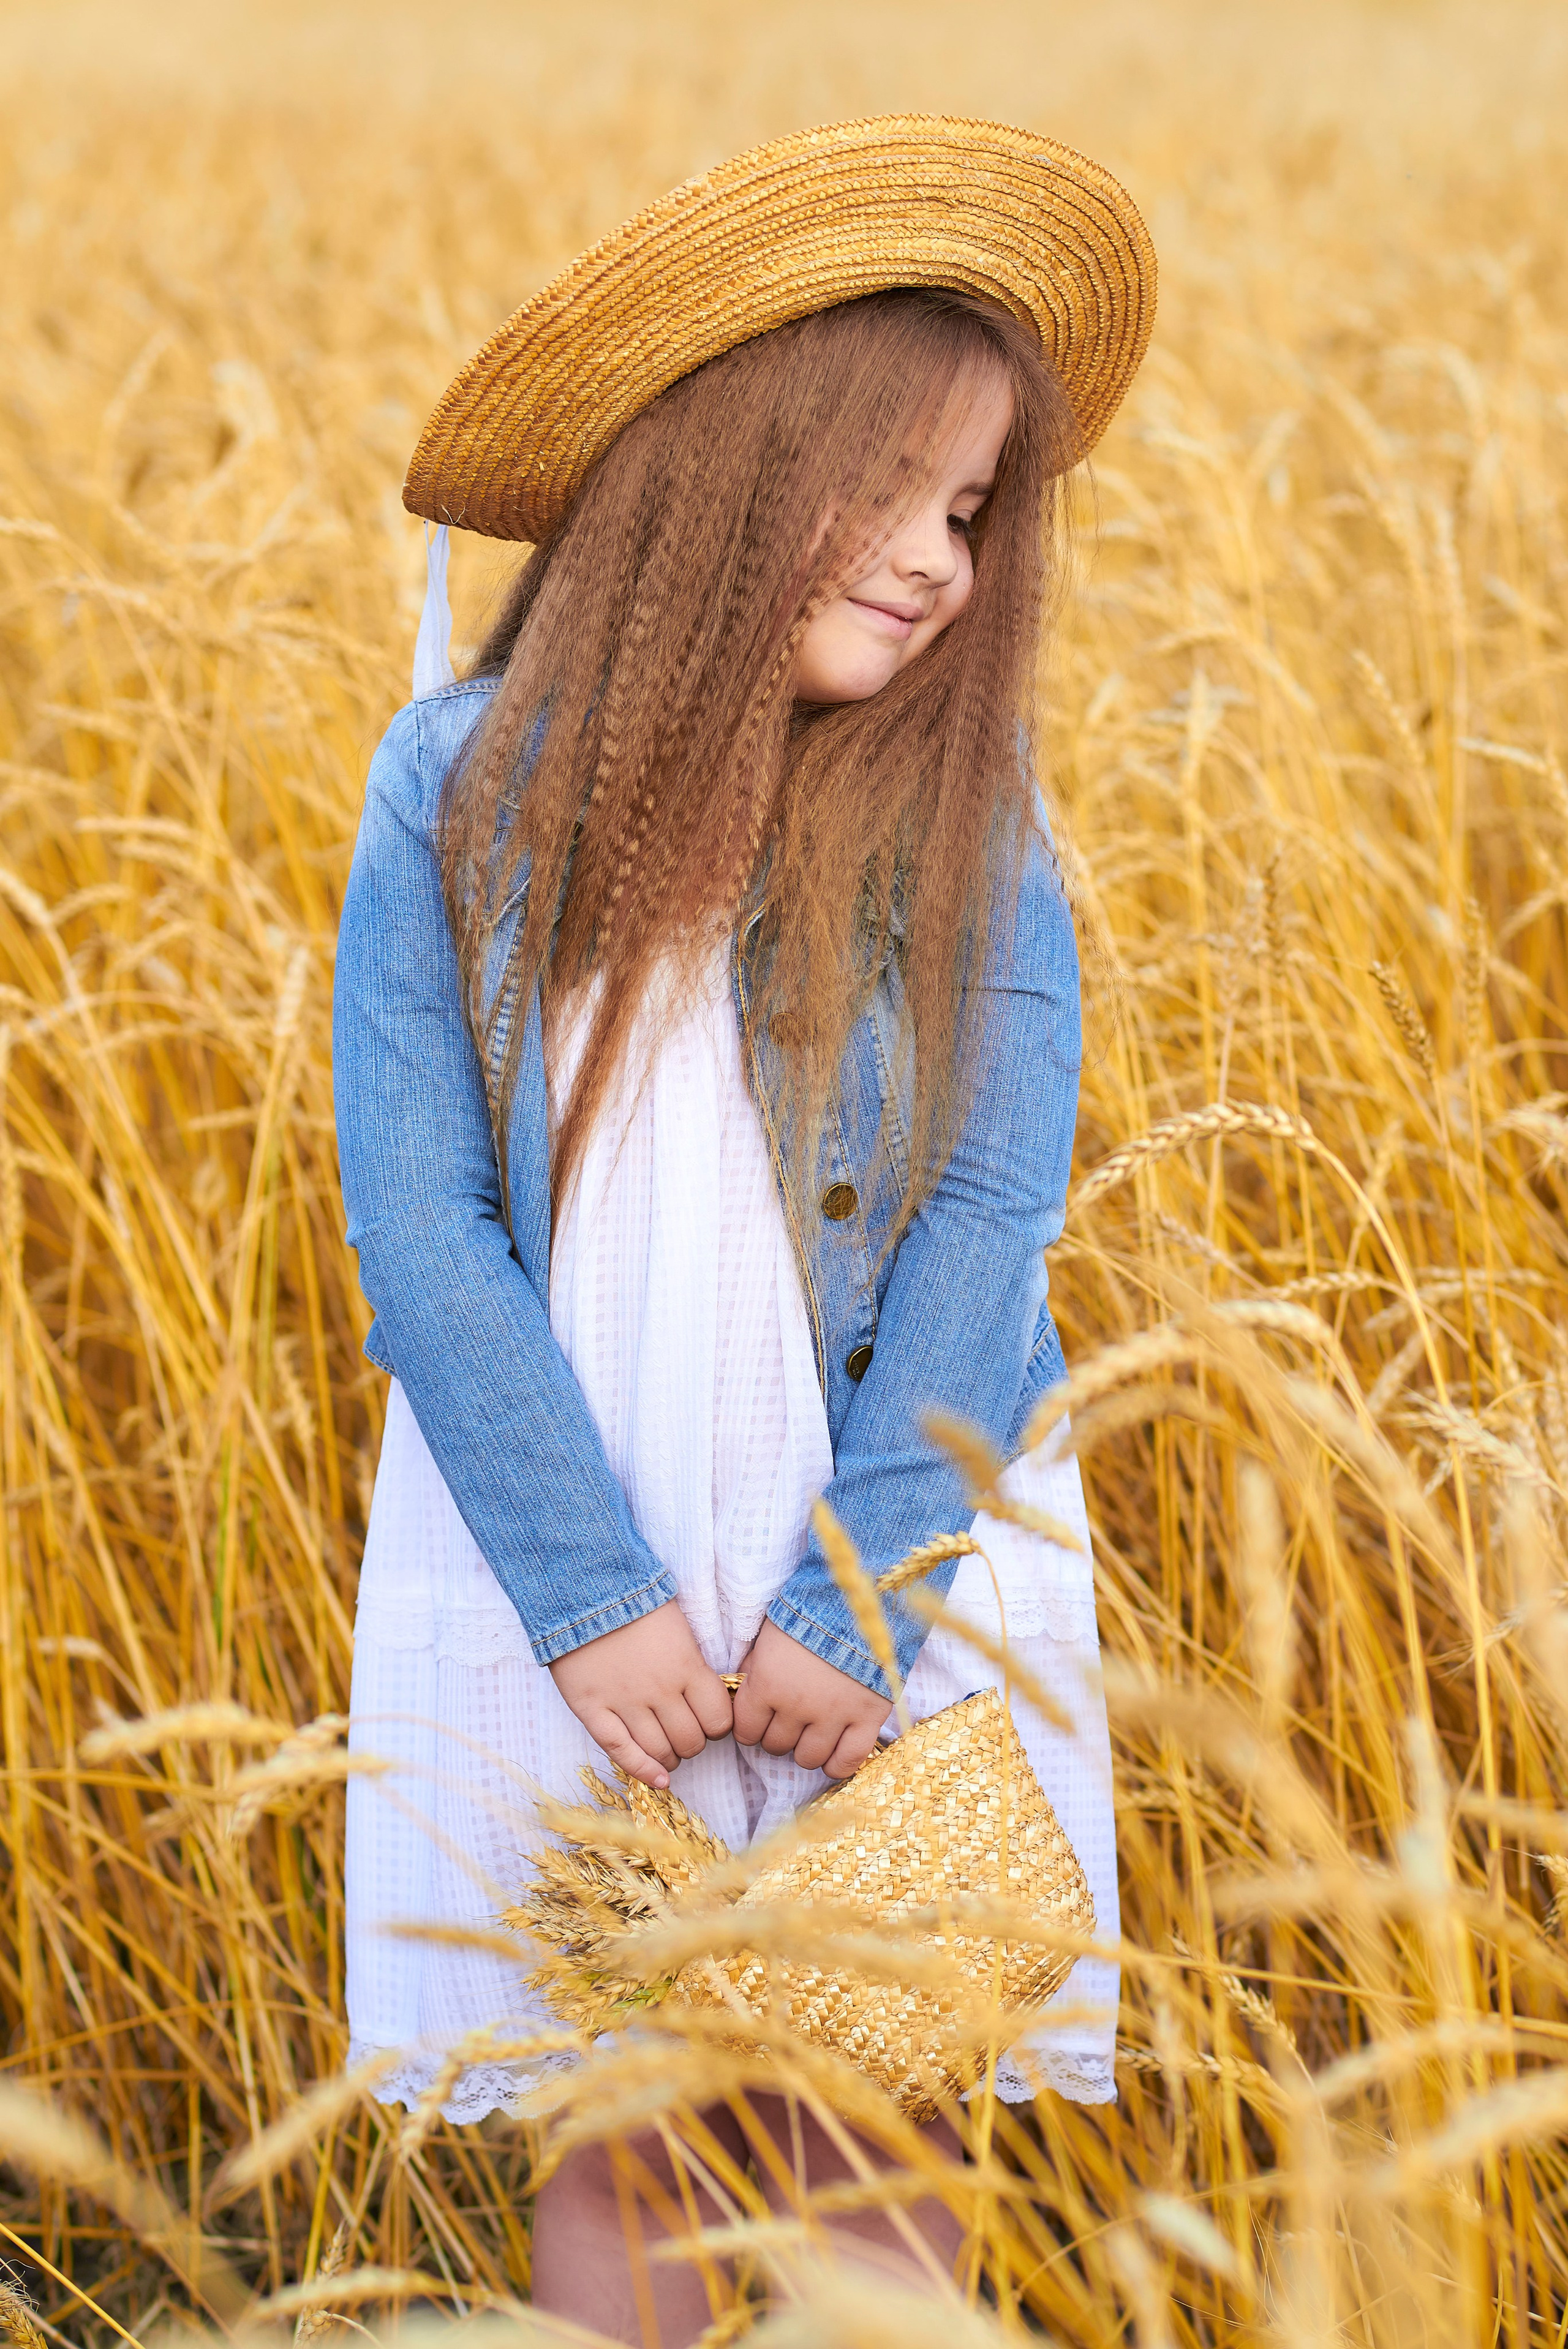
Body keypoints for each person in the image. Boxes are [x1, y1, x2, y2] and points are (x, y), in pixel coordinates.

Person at [333, 115, 1155, 2342]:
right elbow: (423, 1220)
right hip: (573, 1542)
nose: (939, 560)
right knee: (635, 2125)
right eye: (891, 489)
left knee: (876, 2114)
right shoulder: (457, 785)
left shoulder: (969, 811)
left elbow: (990, 1206)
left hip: (898, 1537)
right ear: (716, 474)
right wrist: (590, 1601)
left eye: (971, 511)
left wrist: (865, 1599)